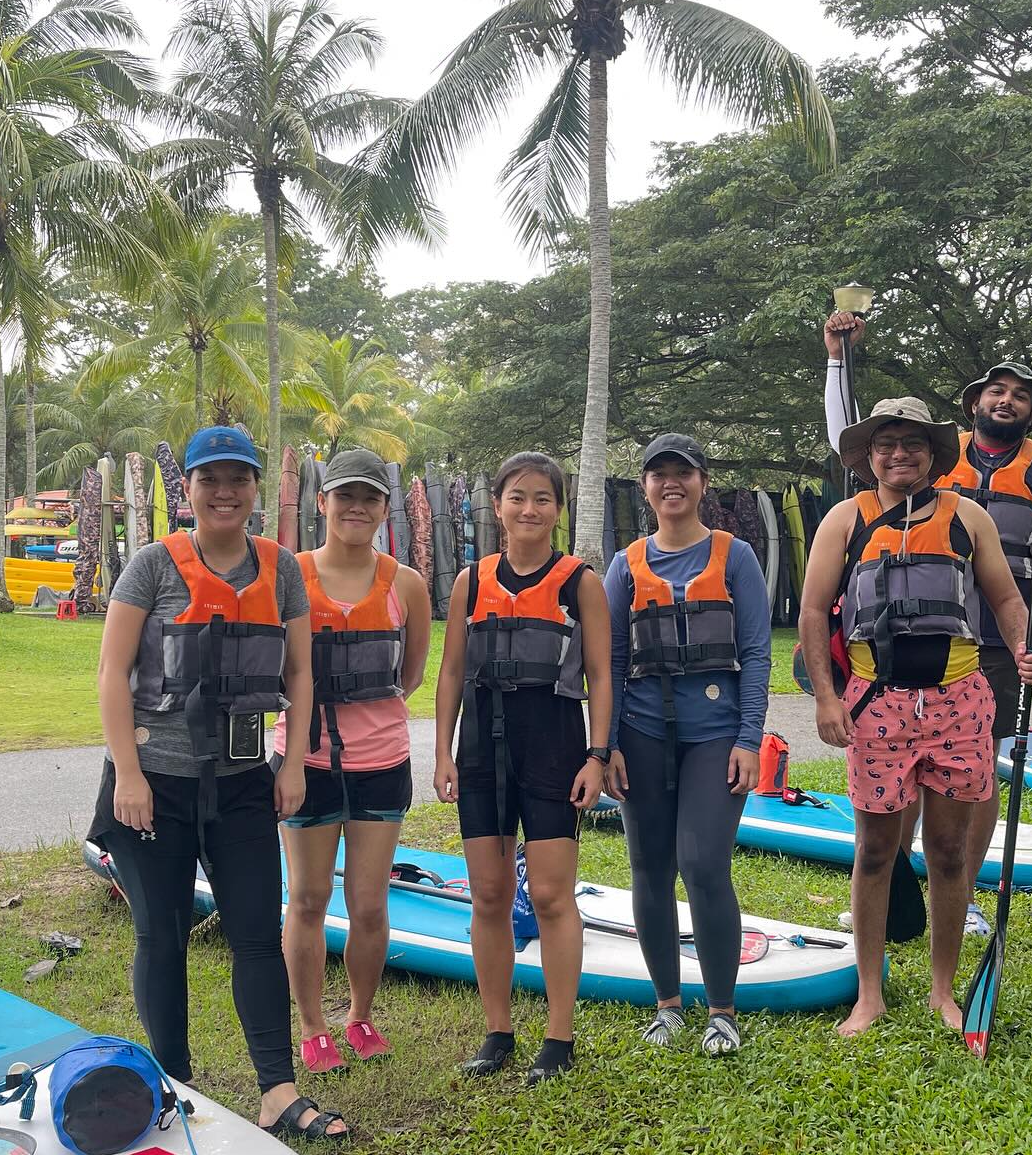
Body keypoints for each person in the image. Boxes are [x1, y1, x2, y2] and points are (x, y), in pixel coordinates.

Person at [91, 426, 347, 1142]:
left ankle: (278, 1092)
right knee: (162, 936)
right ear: (190, 490)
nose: (225, 492)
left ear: (256, 489)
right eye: (211, 479)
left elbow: (299, 672)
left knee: (256, 935)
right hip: (154, 784)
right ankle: (172, 1080)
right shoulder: (151, 566)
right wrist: (130, 775)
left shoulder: (281, 569)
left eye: (239, 479)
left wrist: (293, 761)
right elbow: (113, 673)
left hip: (240, 783)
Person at [823, 315, 1032, 935]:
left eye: (1022, 394)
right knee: (901, 773)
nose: (1007, 400)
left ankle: (962, 892)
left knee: (975, 773)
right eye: (997, 391)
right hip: (917, 639)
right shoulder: (931, 464)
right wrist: (838, 359)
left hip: (999, 644)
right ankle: (890, 890)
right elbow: (853, 446)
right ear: (974, 403)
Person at [800, 400, 1032, 1035]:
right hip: (875, 702)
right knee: (877, 849)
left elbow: (1005, 597)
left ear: (934, 454)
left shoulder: (967, 518)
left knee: (947, 849)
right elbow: (812, 612)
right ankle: (870, 994)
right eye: (887, 444)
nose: (899, 454)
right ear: (869, 455)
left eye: (913, 443)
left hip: (958, 701)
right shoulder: (843, 519)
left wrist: (1024, 650)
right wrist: (828, 699)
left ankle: (943, 991)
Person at [434, 453, 612, 1086]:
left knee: (552, 895)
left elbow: (600, 674)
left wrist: (598, 753)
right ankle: (497, 1030)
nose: (529, 509)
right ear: (499, 505)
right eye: (517, 497)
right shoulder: (471, 581)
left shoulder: (579, 582)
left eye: (543, 498)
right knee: (488, 895)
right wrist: (442, 752)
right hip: (482, 751)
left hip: (553, 749)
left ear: (558, 509)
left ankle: (559, 1038)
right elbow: (452, 671)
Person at [603, 434, 771, 1057]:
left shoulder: (735, 557)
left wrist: (748, 738)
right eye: (658, 475)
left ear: (703, 483)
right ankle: (667, 1005)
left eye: (683, 473)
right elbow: (614, 660)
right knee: (649, 867)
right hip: (643, 735)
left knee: (701, 863)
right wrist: (609, 743)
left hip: (715, 735)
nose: (671, 484)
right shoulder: (626, 564)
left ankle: (721, 1011)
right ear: (645, 487)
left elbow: (756, 652)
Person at [273, 449, 432, 1072]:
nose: (356, 508)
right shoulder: (291, 577)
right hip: (304, 762)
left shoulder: (407, 585)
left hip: (381, 762)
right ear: (322, 503)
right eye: (345, 496)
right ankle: (312, 1026)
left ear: (386, 510)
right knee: (308, 898)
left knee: (369, 903)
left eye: (370, 498)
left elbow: (410, 674)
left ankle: (360, 1016)